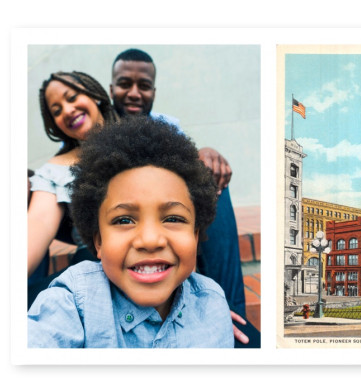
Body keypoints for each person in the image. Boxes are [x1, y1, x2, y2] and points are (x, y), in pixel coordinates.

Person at [28, 116, 234, 348]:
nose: (149, 240)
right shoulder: (74, 301)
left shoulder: (212, 304)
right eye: (124, 219)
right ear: (98, 241)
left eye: (173, 218)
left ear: (195, 236)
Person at [110, 49, 257, 346]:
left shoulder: (167, 126)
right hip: (127, 226)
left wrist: (205, 154)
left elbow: (189, 164)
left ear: (154, 90)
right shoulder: (100, 127)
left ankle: (231, 313)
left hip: (169, 220)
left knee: (210, 179)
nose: (135, 93)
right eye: (125, 84)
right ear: (112, 88)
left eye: (145, 85)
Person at [27, 71, 119, 280]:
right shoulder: (54, 171)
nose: (67, 110)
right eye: (57, 111)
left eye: (72, 97)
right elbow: (37, 226)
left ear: (93, 94)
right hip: (92, 275)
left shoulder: (143, 137)